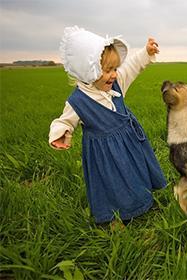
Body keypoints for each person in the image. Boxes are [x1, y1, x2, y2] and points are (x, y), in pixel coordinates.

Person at [49, 26, 167, 225]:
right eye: (107, 70)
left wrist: (146, 53)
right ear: (89, 70)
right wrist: (61, 133)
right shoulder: (78, 100)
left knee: (135, 172)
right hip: (104, 154)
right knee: (112, 183)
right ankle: (114, 217)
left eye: (114, 69)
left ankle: (142, 202)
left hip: (130, 143)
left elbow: (132, 66)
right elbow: (65, 120)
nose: (113, 74)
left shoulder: (117, 82)